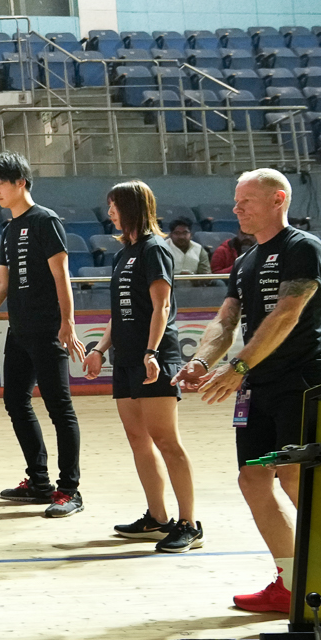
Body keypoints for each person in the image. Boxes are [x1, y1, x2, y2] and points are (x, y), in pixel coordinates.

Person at [178, 168, 321, 615]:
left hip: (302, 382)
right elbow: (225, 321)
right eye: (236, 200)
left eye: (246, 200)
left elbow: (287, 313)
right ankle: (291, 581)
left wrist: (240, 365)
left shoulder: (303, 248)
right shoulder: (246, 259)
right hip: (259, 387)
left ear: (278, 200)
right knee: (253, 479)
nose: (236, 207)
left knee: (296, 478)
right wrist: (202, 360)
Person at [0, 152, 85, 518]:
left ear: (21, 182)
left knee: (60, 409)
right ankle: (39, 482)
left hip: (48, 330)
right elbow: (1, 284)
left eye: (0, 184)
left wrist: (67, 323)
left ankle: (69, 490)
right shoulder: (10, 229)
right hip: (19, 330)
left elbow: (62, 276)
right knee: (16, 402)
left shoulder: (46, 221)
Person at [89, 181, 200, 554]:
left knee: (167, 440)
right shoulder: (125, 253)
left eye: (114, 206)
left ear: (132, 207)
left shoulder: (154, 250)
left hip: (154, 358)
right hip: (125, 359)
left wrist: (151, 353)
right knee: (138, 439)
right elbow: (120, 314)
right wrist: (101, 349)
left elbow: (162, 306)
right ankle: (157, 517)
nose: (110, 213)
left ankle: (189, 523)